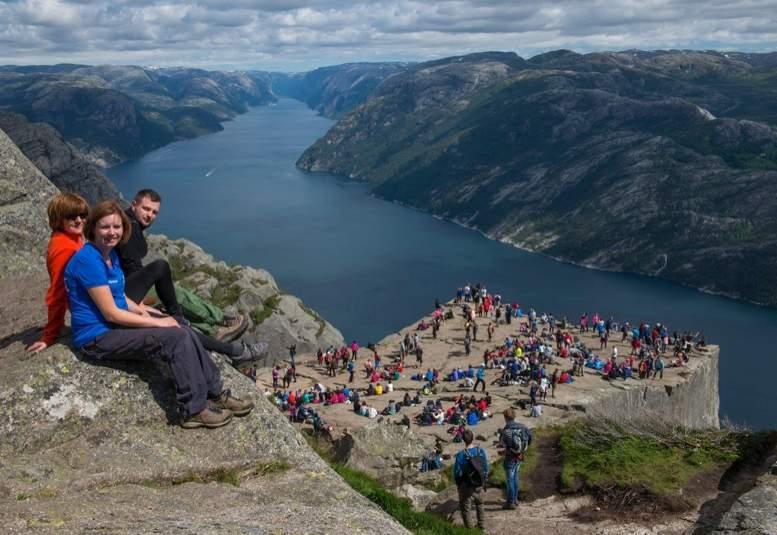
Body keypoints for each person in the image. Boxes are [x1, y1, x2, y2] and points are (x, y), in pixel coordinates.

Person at [64, 201, 253, 428]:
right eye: (105, 227)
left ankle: (216, 391)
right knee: (175, 337)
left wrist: (153, 313)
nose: (112, 232)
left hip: (113, 327)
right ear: (93, 228)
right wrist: (156, 324)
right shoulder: (88, 260)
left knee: (182, 328)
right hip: (97, 336)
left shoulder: (109, 256)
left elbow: (121, 298)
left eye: (117, 227)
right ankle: (194, 409)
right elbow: (111, 312)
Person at [117, 189, 267, 363]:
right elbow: (132, 268)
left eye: (154, 212)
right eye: (146, 209)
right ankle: (216, 324)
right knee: (176, 293)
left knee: (171, 291)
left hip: (125, 287)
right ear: (134, 205)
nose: (150, 215)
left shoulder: (129, 225)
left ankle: (212, 324)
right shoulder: (129, 229)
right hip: (125, 292)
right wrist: (140, 306)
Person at [27, 193, 89, 353]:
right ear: (59, 218)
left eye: (83, 215)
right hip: (89, 305)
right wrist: (50, 336)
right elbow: (58, 292)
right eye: (71, 216)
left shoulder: (71, 237)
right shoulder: (65, 248)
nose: (79, 220)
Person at [453, 429, 488, 530]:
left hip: (466, 486)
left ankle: (470, 530)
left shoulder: (460, 455)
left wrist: (458, 484)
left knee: (466, 509)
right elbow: (485, 467)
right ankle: (482, 527)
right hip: (479, 483)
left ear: (463, 440)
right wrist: (484, 478)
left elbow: (457, 472)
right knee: (480, 505)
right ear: (473, 438)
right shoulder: (480, 451)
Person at [498, 408, 531, 509]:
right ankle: (515, 499)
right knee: (515, 477)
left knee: (510, 480)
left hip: (510, 458)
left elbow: (502, 444)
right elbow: (530, 439)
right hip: (520, 456)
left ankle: (510, 503)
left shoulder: (506, 431)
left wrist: (504, 451)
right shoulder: (523, 427)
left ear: (505, 417)